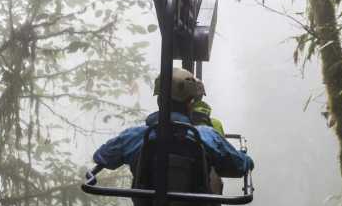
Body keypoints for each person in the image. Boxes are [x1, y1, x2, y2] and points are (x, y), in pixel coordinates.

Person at [93, 67, 252, 178]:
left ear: (159, 100)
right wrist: (244, 157)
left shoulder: (135, 136)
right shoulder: (205, 136)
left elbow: (102, 156)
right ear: (190, 103)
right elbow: (240, 166)